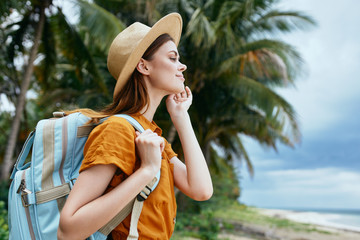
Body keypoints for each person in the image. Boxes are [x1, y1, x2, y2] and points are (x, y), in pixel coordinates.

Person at [57, 13, 213, 240]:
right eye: (172, 58)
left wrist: (181, 117)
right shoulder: (117, 129)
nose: (182, 66)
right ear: (143, 66)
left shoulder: (149, 133)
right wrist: (147, 171)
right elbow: (68, 231)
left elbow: (201, 190)